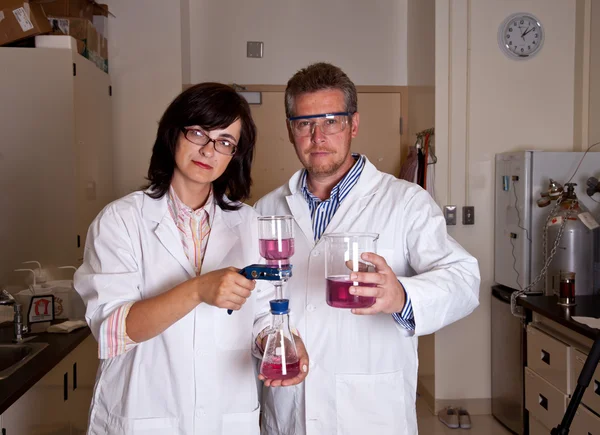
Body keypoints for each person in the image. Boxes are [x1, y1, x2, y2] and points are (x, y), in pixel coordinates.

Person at [254, 63, 481, 435]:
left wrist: (402, 295)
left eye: (331, 121)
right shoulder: (267, 209)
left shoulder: (406, 202)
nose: (318, 136)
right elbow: (254, 300)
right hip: (290, 408)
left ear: (354, 125)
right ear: (290, 130)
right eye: (304, 123)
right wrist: (266, 334)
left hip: (371, 413)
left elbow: (464, 279)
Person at [74, 83, 308, 435]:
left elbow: (260, 314)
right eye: (199, 132)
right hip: (144, 412)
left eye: (225, 142)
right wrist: (198, 290)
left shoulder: (248, 222)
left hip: (226, 414)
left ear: (235, 155)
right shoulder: (121, 221)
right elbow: (112, 330)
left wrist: (278, 341)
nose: (209, 150)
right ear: (174, 133)